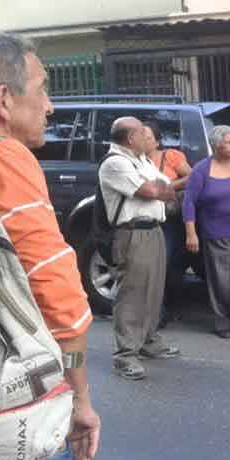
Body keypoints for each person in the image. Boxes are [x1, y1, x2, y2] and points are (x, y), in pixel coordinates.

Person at [0, 33, 100, 460]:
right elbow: (61, 302)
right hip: (14, 410)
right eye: (42, 89)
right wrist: (78, 399)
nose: (50, 106)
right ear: (4, 99)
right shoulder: (5, 160)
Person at [99, 117, 181, 380]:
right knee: (132, 293)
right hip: (132, 233)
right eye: (143, 133)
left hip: (153, 229)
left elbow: (166, 189)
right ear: (130, 139)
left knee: (154, 289)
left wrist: (161, 190)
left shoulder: (142, 161)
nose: (150, 137)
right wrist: (159, 190)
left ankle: (148, 340)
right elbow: (149, 190)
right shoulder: (115, 163)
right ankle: (125, 355)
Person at [183, 125, 230, 338]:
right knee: (221, 282)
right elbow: (189, 203)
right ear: (215, 145)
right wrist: (191, 233)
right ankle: (223, 322)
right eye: (227, 142)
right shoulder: (201, 170)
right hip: (216, 234)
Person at [143, 120, 192, 323]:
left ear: (157, 141)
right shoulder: (133, 161)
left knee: (168, 261)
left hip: (169, 218)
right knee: (151, 264)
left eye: (147, 137)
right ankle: (158, 309)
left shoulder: (170, 156)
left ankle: (167, 306)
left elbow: (192, 176)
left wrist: (169, 185)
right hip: (146, 216)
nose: (143, 141)